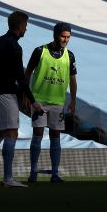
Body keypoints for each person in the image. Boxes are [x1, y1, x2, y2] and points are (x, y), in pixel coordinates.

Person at [0, 10, 38, 188]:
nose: (26, 29)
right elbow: (20, 75)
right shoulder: (14, 46)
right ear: (20, 26)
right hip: (5, 93)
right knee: (11, 132)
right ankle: (8, 178)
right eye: (25, 26)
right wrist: (32, 100)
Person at [25, 22, 77, 183]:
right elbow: (27, 73)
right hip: (39, 102)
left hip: (58, 103)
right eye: (63, 36)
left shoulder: (70, 55)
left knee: (56, 136)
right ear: (55, 35)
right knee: (37, 135)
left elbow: (73, 80)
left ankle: (55, 173)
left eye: (68, 37)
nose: (65, 40)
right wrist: (26, 95)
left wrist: (73, 100)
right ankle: (33, 171)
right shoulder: (40, 51)